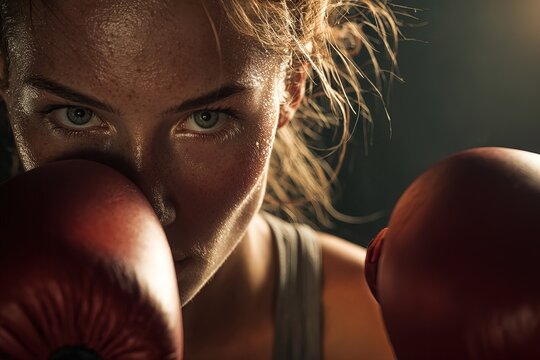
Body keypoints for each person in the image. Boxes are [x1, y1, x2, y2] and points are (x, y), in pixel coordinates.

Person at [0, 1, 398, 359]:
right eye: (77, 115)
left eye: (206, 119)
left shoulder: (382, 337)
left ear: (292, 86)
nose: (149, 209)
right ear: (5, 77)